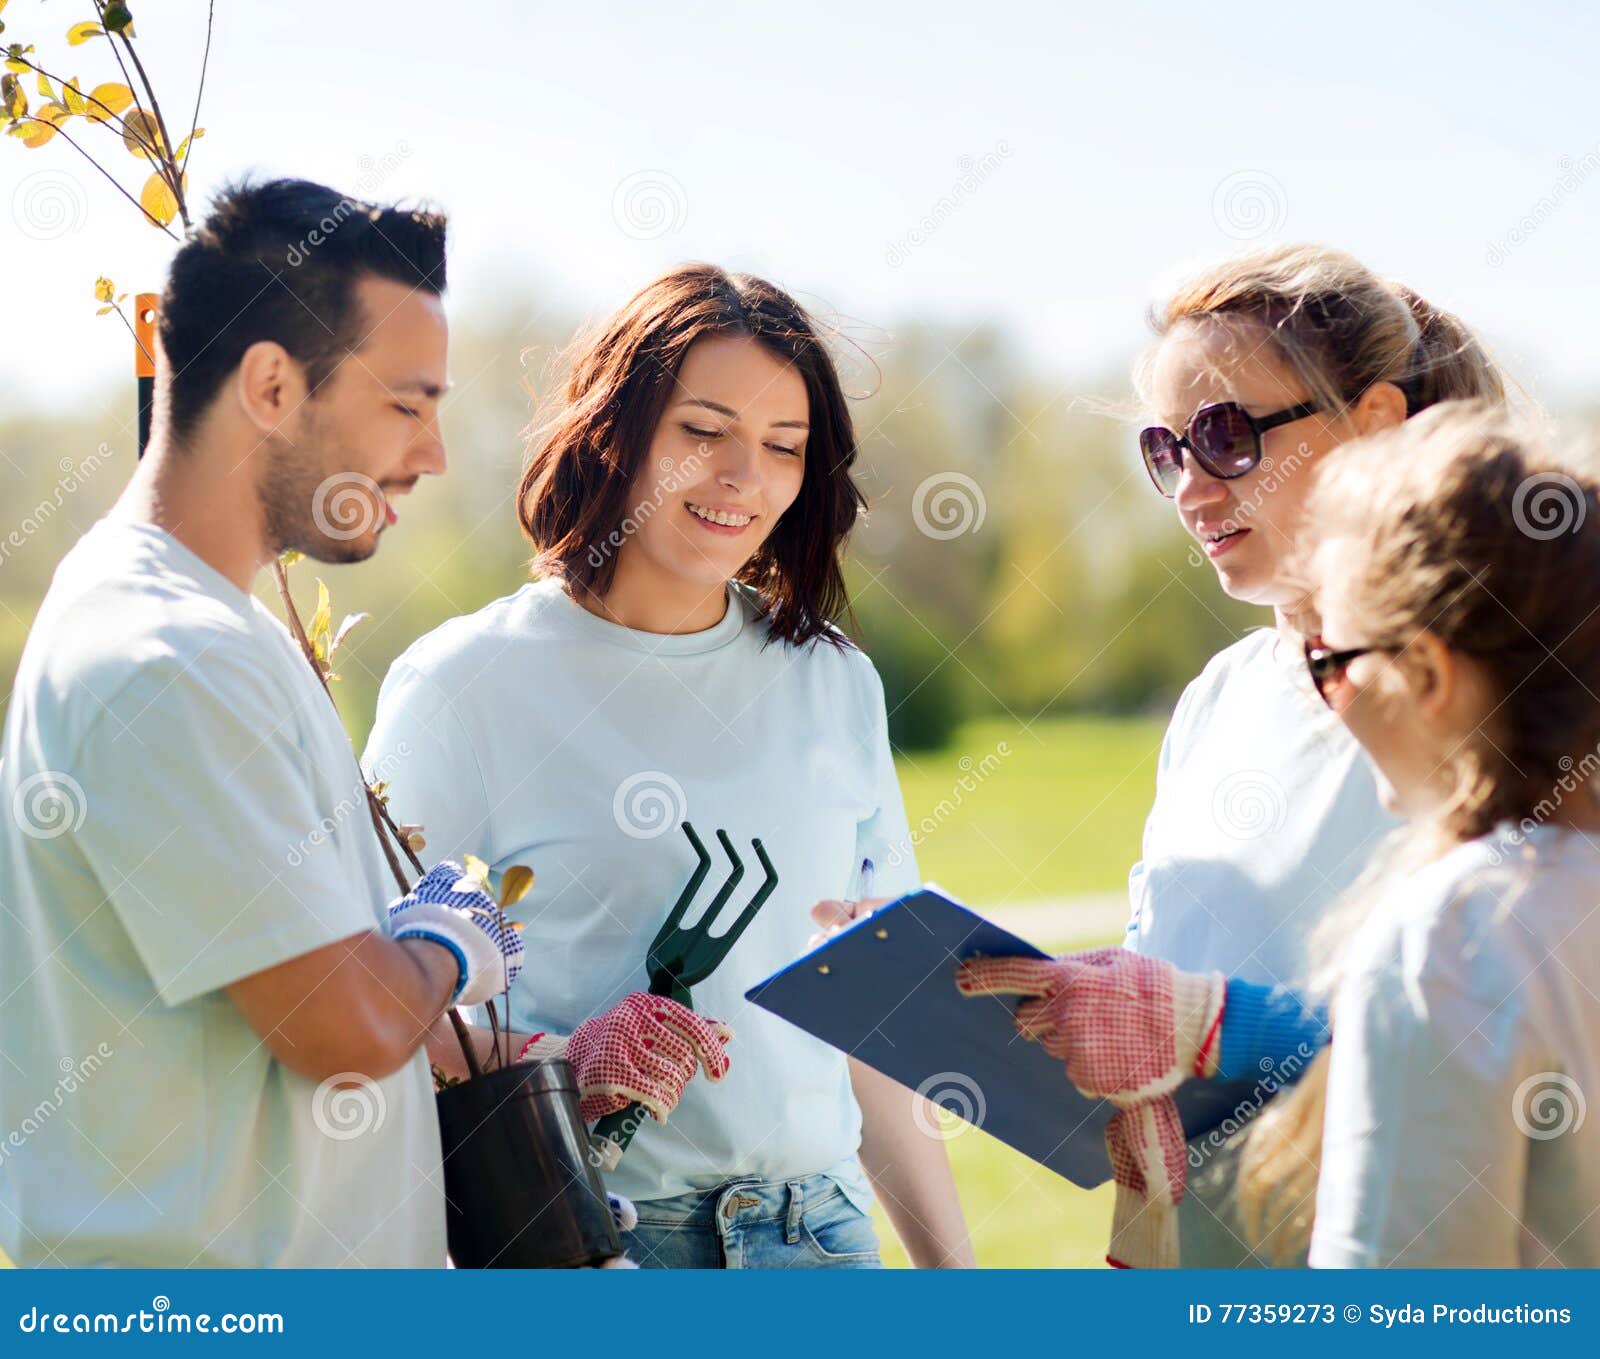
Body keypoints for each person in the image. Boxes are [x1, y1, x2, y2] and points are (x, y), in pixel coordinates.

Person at [363, 263, 974, 1269]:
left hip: (819, 1240)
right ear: (616, 428)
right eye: (704, 432)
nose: (745, 477)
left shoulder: (830, 681)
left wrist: (955, 1284)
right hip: (594, 1239)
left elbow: (875, 1007)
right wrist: (559, 1063)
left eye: (783, 447)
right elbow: (377, 998)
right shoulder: (468, 685)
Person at [0, 178, 529, 1267]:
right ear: (274, 386)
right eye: (406, 404)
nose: (431, 456)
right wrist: (447, 936)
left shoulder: (216, 630)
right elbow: (345, 1030)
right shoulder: (163, 659)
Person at [948, 245, 1507, 1267]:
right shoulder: (1218, 698)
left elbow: (1507, 1053)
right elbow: (1168, 1000)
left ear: (1374, 425)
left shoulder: (1500, 695)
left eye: (1227, 435)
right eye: (1165, 451)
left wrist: (1215, 1029)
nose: (1191, 488)